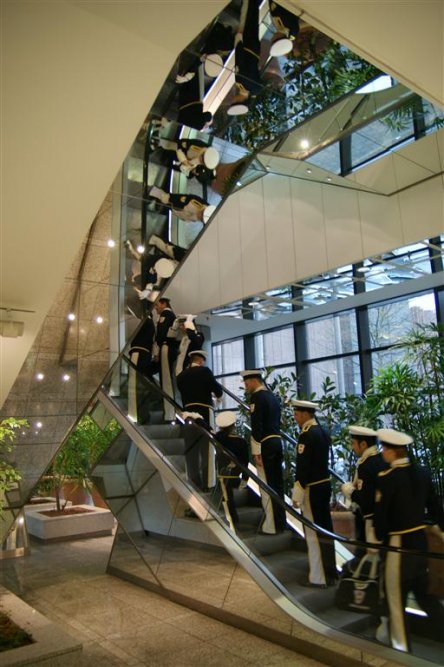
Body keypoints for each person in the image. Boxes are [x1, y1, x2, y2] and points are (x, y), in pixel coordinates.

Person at [374, 427, 444, 653]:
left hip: (398, 546)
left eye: (384, 448)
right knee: (426, 596)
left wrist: (380, 538)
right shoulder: (422, 473)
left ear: (392, 451)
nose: (382, 452)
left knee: (395, 600)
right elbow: (435, 507)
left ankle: (401, 648)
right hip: (420, 543)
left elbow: (380, 520)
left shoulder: (387, 478)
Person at [292, 399, 337, 588]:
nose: (295, 418)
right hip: (324, 485)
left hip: (312, 488)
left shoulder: (307, 435)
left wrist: (297, 494)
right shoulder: (322, 431)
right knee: (326, 531)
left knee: (313, 533)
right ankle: (330, 573)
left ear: (305, 414)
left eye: (296, 414)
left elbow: (303, 467)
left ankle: (318, 577)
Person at [240, 369, 286, 535]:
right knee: (277, 485)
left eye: (247, 384)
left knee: (266, 486)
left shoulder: (257, 397)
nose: (246, 387)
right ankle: (281, 523)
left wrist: (256, 451)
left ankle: (270, 526)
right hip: (277, 442)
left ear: (254, 381)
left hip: (265, 444)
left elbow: (257, 426)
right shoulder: (272, 397)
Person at [177, 350, 223, 489]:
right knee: (207, 448)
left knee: (191, 449)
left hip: (187, 415)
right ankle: (208, 483)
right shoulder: (205, 371)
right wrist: (217, 398)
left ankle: (193, 482)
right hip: (204, 412)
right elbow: (218, 390)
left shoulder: (181, 376)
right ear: (201, 360)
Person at [341, 425, 388, 550]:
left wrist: (349, 491)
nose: (352, 447)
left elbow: (365, 500)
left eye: (353, 443)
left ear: (363, 444)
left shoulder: (366, 465)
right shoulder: (381, 459)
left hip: (371, 522)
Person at [215, 411, 249, 528]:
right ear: (234, 425)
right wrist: (245, 479)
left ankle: (233, 523)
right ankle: (234, 522)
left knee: (227, 500)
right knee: (229, 499)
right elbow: (245, 462)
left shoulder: (217, 438)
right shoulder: (241, 441)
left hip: (221, 475)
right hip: (235, 475)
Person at [228, 0, 262, 116]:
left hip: (253, 47)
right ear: (239, 101)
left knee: (252, 16)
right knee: (247, 14)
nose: (232, 100)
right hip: (247, 45)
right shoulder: (243, 84)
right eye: (233, 102)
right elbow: (240, 61)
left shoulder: (252, 88)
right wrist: (239, 43)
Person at [152, 297, 178, 421]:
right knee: (165, 379)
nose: (155, 308)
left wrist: (157, 352)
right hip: (166, 348)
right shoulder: (169, 315)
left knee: (166, 379)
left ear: (164, 304)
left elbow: (161, 335)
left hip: (166, 348)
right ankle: (168, 412)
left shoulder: (166, 314)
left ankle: (169, 413)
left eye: (157, 305)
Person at [127, 314, 155, 424]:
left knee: (133, 384)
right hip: (145, 355)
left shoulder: (144, 321)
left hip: (138, 354)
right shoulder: (150, 324)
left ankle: (134, 415)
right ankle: (144, 415)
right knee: (142, 385)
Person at [147, 185, 215, 223]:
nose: (201, 218)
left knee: (166, 202)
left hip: (177, 210)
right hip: (178, 204)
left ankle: (156, 198)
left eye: (202, 219)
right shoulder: (194, 203)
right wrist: (171, 199)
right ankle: (152, 191)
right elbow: (181, 199)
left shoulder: (197, 218)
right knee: (164, 197)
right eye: (202, 216)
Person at [176, 63, 213, 131]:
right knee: (186, 78)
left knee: (194, 73)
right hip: (182, 104)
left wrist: (209, 121)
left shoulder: (201, 125)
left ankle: (196, 61)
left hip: (194, 100)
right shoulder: (194, 127)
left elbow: (208, 115)